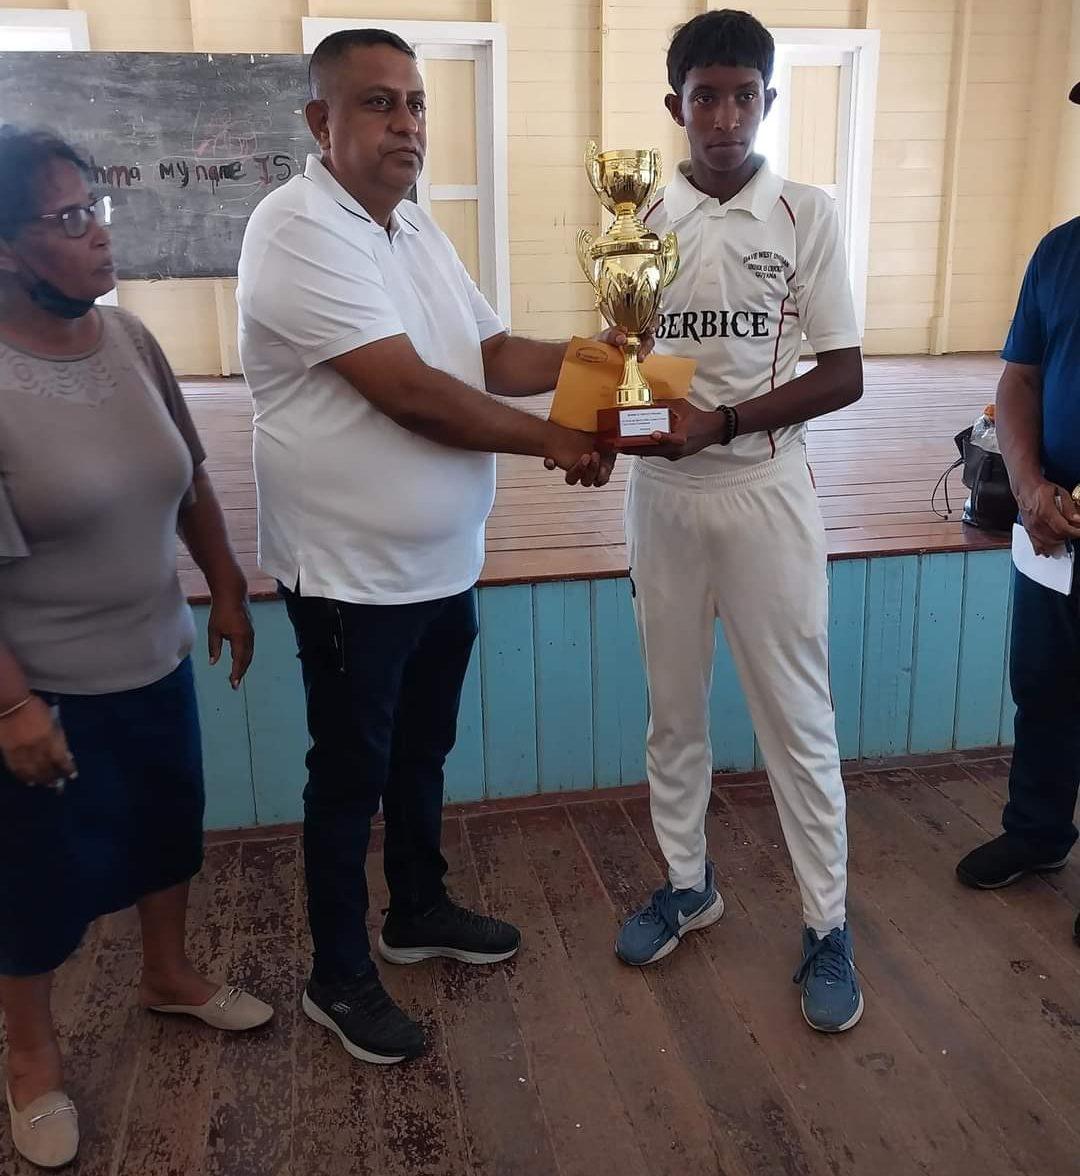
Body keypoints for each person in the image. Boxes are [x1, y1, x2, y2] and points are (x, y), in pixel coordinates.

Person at [237, 29, 643, 1066]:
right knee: (349, 776)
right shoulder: (295, 231)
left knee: (420, 755)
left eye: (416, 102)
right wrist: (559, 437)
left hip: (438, 565)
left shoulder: (414, 231)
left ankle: (416, 910)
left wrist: (598, 359)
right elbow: (413, 393)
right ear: (320, 123)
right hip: (347, 577)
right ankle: (339, 975)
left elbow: (489, 354)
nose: (407, 122)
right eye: (378, 104)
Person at [0, 128, 272, 1170]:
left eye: (97, 209)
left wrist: (229, 591)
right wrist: (12, 709)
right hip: (44, 688)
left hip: (152, 657)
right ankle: (31, 1060)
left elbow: (192, 475)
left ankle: (170, 976)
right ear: (6, 250)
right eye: (69, 221)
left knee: (168, 831)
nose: (99, 238)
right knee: (31, 888)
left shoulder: (131, 340)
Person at [611, 11, 867, 1033]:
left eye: (743, 96)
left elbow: (844, 374)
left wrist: (717, 422)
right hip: (663, 503)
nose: (723, 117)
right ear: (674, 105)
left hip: (765, 493)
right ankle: (687, 883)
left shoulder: (808, 213)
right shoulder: (637, 224)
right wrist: (612, 437)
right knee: (674, 711)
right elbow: (625, 373)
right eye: (704, 96)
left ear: (769, 102)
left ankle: (828, 924)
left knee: (797, 723)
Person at [955, 83, 1080, 948]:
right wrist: (1031, 488)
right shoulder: (1061, 252)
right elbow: (1021, 379)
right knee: (1042, 684)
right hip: (1054, 518)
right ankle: (1038, 834)